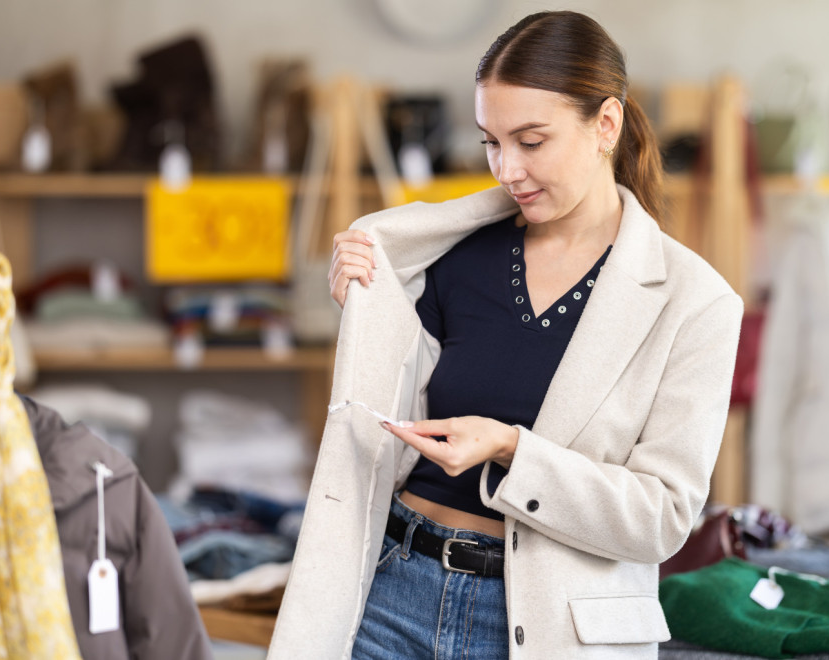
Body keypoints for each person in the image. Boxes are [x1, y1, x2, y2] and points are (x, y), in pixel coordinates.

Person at [267, 10, 743, 659]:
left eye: (531, 140)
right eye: (491, 140)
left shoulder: (696, 303)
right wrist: (366, 303)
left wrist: (510, 451)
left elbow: (661, 516)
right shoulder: (449, 255)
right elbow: (380, 435)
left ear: (606, 124)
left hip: (550, 627)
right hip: (393, 595)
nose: (506, 168)